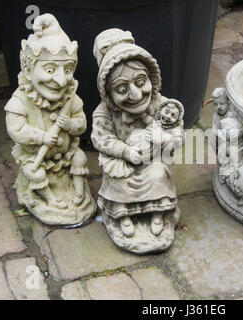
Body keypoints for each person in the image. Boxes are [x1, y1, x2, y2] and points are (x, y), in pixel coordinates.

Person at [91, 28, 183, 240]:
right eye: (122, 90)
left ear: (150, 78)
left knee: (159, 174)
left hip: (153, 159)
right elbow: (101, 138)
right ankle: (123, 217)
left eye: (141, 83)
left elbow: (176, 130)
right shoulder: (103, 113)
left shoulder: (161, 105)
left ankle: (157, 213)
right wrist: (125, 152)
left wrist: (167, 141)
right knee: (119, 180)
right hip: (124, 160)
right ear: (108, 94)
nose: (135, 94)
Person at [5, 14, 89, 210]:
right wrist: (41, 137)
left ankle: (78, 194)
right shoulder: (21, 100)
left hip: (66, 153)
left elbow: (81, 122)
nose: (61, 81)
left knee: (80, 158)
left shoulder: (71, 97)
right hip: (35, 157)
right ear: (27, 69)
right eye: (50, 70)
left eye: (67, 70)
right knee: (35, 173)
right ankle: (49, 199)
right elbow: (16, 130)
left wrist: (70, 124)